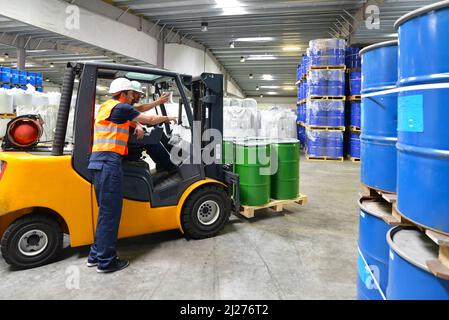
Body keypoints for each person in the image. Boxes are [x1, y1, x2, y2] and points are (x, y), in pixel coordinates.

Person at [87, 78, 177, 273]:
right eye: (131, 94)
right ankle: (106, 262)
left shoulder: (109, 106)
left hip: (99, 162)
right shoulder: (120, 107)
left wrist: (157, 104)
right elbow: (149, 119)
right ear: (124, 94)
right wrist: (169, 118)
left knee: (105, 213)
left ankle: (96, 254)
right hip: (109, 162)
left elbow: (141, 109)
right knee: (110, 214)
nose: (133, 98)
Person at [125, 81, 177, 172]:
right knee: (152, 141)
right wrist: (166, 118)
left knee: (152, 137)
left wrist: (159, 102)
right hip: (125, 142)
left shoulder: (127, 106)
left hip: (127, 138)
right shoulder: (123, 106)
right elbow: (149, 119)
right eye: (138, 94)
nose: (140, 96)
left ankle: (162, 165)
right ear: (131, 93)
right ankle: (170, 167)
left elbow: (140, 109)